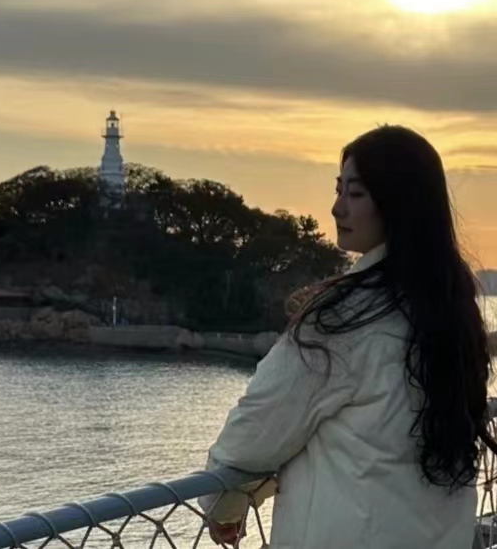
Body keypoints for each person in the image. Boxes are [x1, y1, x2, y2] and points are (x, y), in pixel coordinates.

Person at [201, 125, 497, 549]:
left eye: (355, 194)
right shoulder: (452, 313)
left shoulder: (343, 319)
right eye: (339, 189)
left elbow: (257, 430)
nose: (337, 207)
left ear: (398, 204)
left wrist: (223, 504)